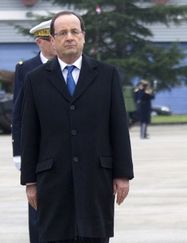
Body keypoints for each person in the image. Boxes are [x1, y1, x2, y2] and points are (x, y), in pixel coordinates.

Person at [20, 11, 134, 242]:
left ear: (83, 36)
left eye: (74, 31)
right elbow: (29, 132)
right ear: (52, 40)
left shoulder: (106, 75)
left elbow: (118, 127)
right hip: (52, 179)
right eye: (62, 33)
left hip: (96, 178)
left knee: (94, 236)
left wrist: (123, 174)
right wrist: (30, 181)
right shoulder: (35, 79)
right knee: (55, 235)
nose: (69, 37)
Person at [12, 19, 57, 243]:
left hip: (59, 145)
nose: (56, 42)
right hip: (36, 149)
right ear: (40, 42)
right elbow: (18, 112)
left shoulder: (68, 65)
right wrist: (18, 151)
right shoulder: (26, 68)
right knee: (37, 203)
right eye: (51, 39)